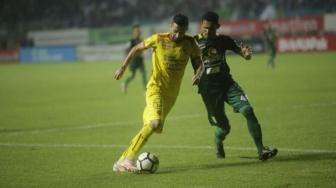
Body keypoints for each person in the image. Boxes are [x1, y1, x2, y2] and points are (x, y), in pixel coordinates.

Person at [113, 13, 203, 172]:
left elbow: (198, 63)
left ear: (186, 30)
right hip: (156, 88)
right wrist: (123, 67)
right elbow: (136, 48)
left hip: (171, 95)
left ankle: (120, 162)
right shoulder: (159, 39)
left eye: (181, 32)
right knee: (155, 123)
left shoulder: (190, 43)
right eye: (175, 30)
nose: (177, 35)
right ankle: (128, 159)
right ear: (171, 25)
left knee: (153, 126)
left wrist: (199, 73)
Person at [192, 11, 277, 161]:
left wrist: (246, 54)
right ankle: (218, 141)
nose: (207, 31)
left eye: (211, 28)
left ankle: (261, 150)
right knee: (224, 128)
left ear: (217, 27)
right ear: (201, 26)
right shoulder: (192, 42)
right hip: (209, 91)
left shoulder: (224, 40)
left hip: (227, 84)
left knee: (248, 110)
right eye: (204, 27)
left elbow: (242, 52)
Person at [122, 24, 147, 94]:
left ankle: (145, 90)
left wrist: (143, 54)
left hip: (140, 60)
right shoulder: (132, 41)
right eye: (137, 31)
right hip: (133, 61)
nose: (138, 32)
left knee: (144, 74)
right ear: (134, 33)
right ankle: (125, 83)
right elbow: (126, 49)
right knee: (132, 75)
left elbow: (143, 49)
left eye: (139, 31)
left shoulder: (141, 40)